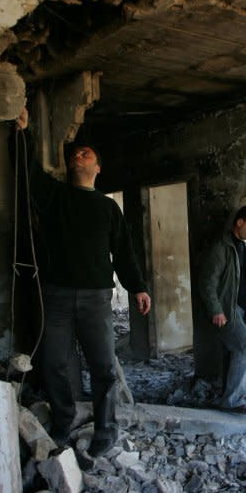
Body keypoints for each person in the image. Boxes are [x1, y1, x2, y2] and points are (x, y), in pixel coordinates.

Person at [15, 108, 151, 456]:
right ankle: (63, 420)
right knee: (53, 364)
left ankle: (106, 428)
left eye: (86, 154)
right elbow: (28, 173)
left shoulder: (108, 209)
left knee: (103, 367)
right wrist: (23, 132)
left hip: (95, 299)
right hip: (55, 297)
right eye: (75, 154)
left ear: (97, 168)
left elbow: (124, 252)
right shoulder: (54, 196)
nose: (78, 155)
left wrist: (137, 286)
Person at [198, 205, 246, 414]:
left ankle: (231, 397)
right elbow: (207, 282)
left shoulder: (242, 247)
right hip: (227, 310)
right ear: (239, 222)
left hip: (240, 310)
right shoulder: (221, 247)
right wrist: (216, 310)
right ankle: (233, 400)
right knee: (244, 348)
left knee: (235, 351)